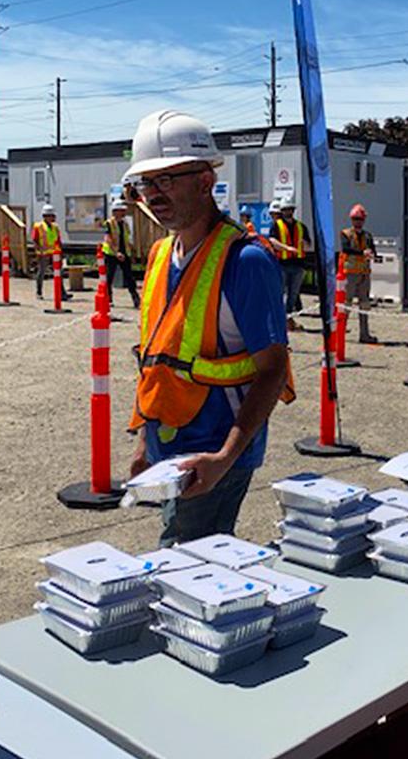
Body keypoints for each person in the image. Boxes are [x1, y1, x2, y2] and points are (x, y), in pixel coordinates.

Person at [123, 109, 293, 546]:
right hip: (168, 447)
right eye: (146, 183)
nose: (153, 194)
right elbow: (157, 357)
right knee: (184, 563)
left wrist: (223, 457)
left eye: (166, 180)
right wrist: (145, 441)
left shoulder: (246, 261)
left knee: (182, 563)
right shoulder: (162, 254)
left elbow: (273, 370)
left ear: (204, 180)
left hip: (216, 453)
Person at [270, 195, 310, 331]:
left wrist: (305, 244)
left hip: (298, 265)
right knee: (281, 294)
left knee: (293, 295)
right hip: (283, 264)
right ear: (282, 211)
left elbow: (309, 244)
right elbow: (272, 241)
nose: (289, 212)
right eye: (286, 209)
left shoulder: (301, 226)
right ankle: (282, 321)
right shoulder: (277, 225)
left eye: (291, 209)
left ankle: (288, 320)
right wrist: (286, 248)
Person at [339, 203, 378, 344]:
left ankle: (364, 334)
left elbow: (374, 250)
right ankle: (340, 331)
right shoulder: (345, 234)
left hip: (364, 273)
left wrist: (372, 254)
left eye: (360, 219)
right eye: (356, 219)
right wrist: (362, 253)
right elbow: (345, 249)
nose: (358, 222)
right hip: (350, 273)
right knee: (346, 303)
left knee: (364, 304)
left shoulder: (368, 236)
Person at [102, 198, 140, 309]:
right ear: (115, 211)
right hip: (111, 254)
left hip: (124, 253)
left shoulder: (125, 224)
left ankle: (136, 299)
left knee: (129, 277)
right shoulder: (109, 223)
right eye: (122, 210)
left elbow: (127, 239)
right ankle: (108, 299)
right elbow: (108, 239)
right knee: (109, 277)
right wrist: (116, 252)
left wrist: (131, 253)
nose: (124, 212)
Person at [31, 204, 71, 301]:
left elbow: (58, 240)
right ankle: (39, 292)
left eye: (54, 216)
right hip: (43, 254)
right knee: (41, 272)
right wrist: (38, 251)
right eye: (52, 216)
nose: (54, 218)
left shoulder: (55, 227)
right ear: (46, 216)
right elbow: (35, 240)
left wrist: (60, 252)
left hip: (55, 254)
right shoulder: (38, 226)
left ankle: (62, 293)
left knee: (58, 273)